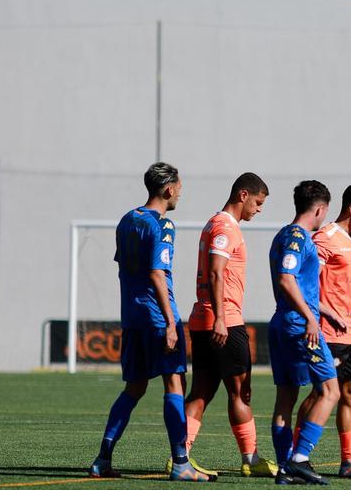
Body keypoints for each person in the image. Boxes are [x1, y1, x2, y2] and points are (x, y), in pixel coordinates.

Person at [89, 162, 211, 482]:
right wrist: (171, 322)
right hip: (158, 317)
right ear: (168, 188)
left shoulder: (128, 220)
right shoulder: (163, 225)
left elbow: (125, 268)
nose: (181, 193)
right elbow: (157, 272)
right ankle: (181, 462)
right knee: (174, 383)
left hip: (132, 316)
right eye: (180, 188)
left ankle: (103, 458)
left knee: (135, 387)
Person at [174, 172, 277, 478]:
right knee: (240, 392)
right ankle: (250, 457)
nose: (258, 209)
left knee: (202, 391)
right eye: (257, 202)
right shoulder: (225, 227)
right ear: (243, 195)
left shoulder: (214, 223)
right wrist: (220, 317)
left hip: (204, 319)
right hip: (224, 321)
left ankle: (180, 456)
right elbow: (217, 272)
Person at [293, 184, 351, 480]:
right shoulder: (325, 239)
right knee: (320, 392)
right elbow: (306, 285)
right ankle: (295, 456)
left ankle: (350, 462)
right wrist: (317, 318)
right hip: (330, 334)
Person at [268, 180, 341, 485]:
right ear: (321, 209)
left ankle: (285, 468)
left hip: (282, 322)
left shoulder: (283, 234)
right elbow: (287, 280)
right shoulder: (299, 237)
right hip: (300, 327)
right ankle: (299, 459)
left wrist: (324, 310)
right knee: (330, 391)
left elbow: (295, 286)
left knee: (286, 396)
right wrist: (311, 318)